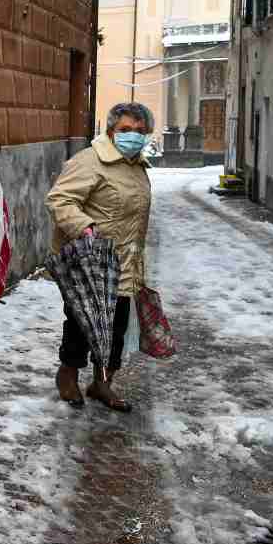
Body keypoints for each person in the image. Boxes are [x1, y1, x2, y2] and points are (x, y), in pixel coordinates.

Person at [45, 102, 154, 413]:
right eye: (125, 130)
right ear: (110, 131)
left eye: (139, 131)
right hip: (89, 262)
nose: (132, 136)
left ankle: (101, 382)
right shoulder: (90, 162)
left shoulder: (137, 167)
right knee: (81, 323)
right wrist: (85, 226)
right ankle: (67, 375)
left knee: (116, 328)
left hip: (123, 262)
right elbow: (59, 200)